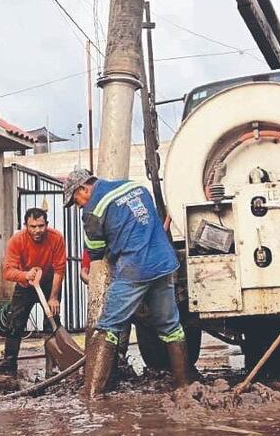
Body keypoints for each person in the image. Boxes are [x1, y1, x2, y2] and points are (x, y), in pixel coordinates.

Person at [63, 168, 192, 398]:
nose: (79, 206)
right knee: (171, 326)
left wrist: (91, 275)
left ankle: (92, 396)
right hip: (163, 263)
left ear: (83, 188)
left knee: (108, 327)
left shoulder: (93, 210)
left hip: (135, 268)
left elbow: (95, 253)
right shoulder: (136, 187)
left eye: (76, 200)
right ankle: (185, 387)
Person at [0, 208, 67, 375]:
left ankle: (53, 367)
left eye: (41, 226)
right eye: (32, 226)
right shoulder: (17, 240)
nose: (37, 230)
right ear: (25, 226)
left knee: (52, 323)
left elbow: (59, 270)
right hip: (26, 284)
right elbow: (7, 271)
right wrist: (25, 275)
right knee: (15, 322)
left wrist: (54, 297)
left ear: (46, 225)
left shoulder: (56, 238)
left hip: (50, 284)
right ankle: (9, 363)